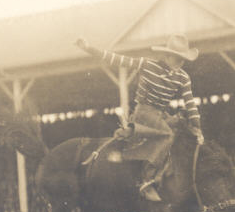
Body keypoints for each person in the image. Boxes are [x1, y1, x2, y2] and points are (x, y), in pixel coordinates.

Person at [75, 34, 205, 202]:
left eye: (183, 59)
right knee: (168, 136)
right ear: (167, 56)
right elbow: (116, 59)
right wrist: (88, 48)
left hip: (161, 114)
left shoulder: (183, 77)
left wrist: (197, 128)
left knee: (182, 129)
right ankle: (147, 181)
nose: (181, 63)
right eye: (178, 58)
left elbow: (191, 104)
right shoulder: (147, 65)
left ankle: (170, 179)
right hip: (144, 112)